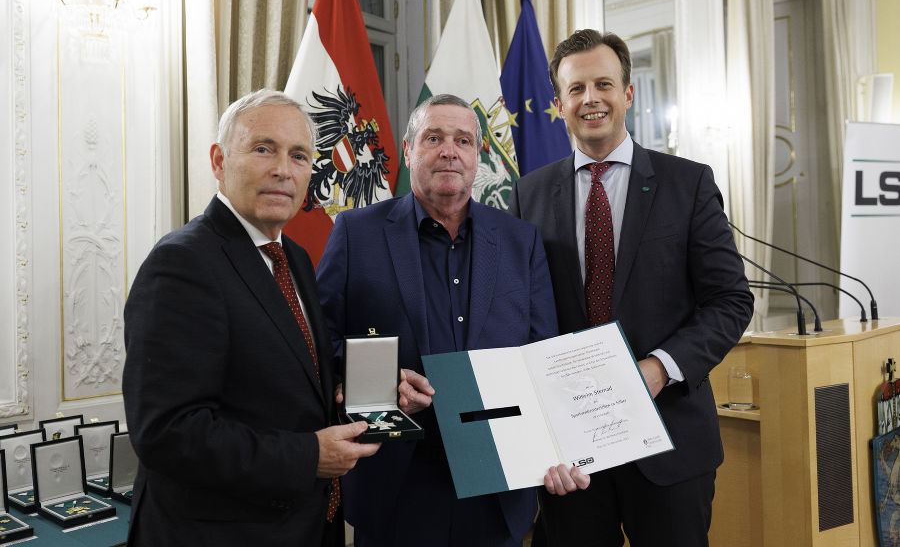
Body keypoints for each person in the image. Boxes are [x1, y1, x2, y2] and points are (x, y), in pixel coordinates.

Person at [509, 30, 754, 546]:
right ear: (558, 103)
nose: (590, 98)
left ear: (628, 93)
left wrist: (660, 368)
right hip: (570, 456)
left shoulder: (687, 183)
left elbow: (731, 300)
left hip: (669, 444)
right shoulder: (528, 193)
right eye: (576, 89)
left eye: (604, 84)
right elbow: (520, 311)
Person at [122, 89, 379, 547]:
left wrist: (370, 387)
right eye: (264, 149)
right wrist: (308, 457)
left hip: (302, 526)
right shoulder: (181, 264)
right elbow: (166, 432)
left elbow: (291, 380)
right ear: (219, 161)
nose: (283, 169)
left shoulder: (293, 257)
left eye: (299, 155)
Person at [316, 94, 560, 546]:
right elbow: (317, 340)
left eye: (463, 140)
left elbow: (542, 353)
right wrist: (375, 379)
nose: (449, 150)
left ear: (477, 155)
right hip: (395, 478)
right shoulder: (355, 233)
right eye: (434, 138)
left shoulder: (519, 240)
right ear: (409, 152)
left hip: (498, 480)